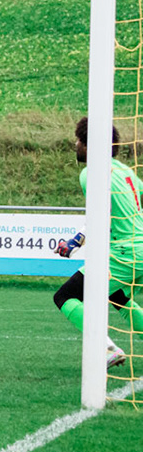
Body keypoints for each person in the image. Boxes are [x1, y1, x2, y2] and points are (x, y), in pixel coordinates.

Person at [50, 117, 134, 372]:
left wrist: (74, 243)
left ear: (90, 145)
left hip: (125, 252)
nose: (76, 145)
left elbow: (100, 218)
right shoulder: (127, 173)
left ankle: (107, 348)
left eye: (80, 141)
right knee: (117, 296)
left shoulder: (92, 173)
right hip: (136, 251)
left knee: (64, 296)